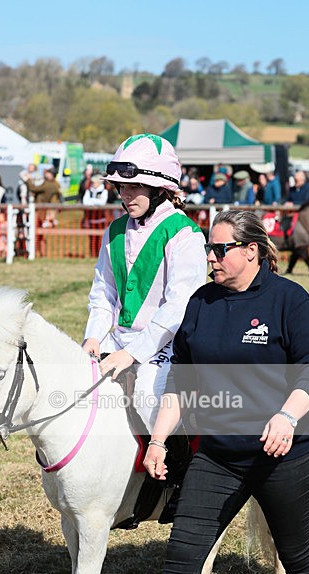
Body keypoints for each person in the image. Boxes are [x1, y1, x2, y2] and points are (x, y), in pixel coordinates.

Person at [97, 209, 309, 574]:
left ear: (251, 251)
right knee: (184, 551)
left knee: (297, 554)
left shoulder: (289, 300)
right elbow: (178, 386)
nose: (210, 257)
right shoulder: (200, 304)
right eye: (210, 249)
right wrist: (160, 441)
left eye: (219, 249)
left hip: (282, 454)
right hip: (217, 455)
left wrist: (287, 415)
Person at [82, 132, 207, 437]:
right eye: (121, 186)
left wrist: (132, 354)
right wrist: (93, 337)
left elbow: (179, 307)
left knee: (147, 400)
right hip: (120, 340)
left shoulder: (185, 234)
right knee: (77, 392)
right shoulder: (114, 231)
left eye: (134, 186)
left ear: (162, 189)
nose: (125, 194)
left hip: (166, 344)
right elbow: (104, 293)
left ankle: (174, 472)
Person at [21, 166, 63, 257]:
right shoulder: (52, 183)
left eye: (48, 173)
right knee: (39, 234)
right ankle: (40, 253)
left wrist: (27, 180)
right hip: (41, 211)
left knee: (38, 234)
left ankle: (39, 253)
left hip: (41, 212)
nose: (45, 174)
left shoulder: (50, 185)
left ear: (52, 175)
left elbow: (34, 188)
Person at [82, 173, 109, 257]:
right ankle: (92, 254)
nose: (93, 184)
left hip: (101, 219)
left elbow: (102, 202)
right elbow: (85, 202)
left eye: (94, 182)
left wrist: (91, 201)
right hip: (90, 219)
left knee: (100, 238)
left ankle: (99, 255)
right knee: (91, 238)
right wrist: (95, 201)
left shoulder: (104, 191)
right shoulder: (88, 190)